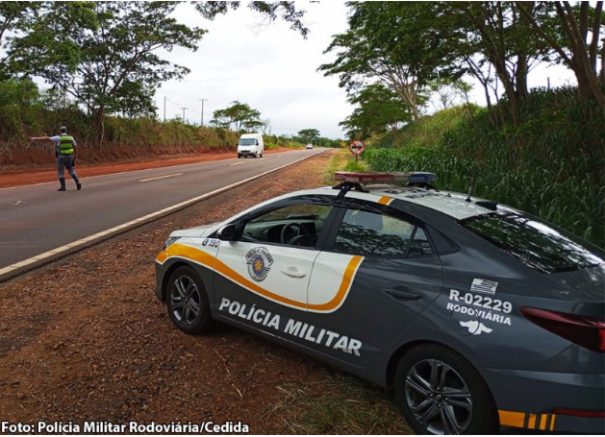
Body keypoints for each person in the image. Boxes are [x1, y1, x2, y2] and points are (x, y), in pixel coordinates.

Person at [31, 126, 82, 191]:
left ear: (60, 131)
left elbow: (47, 138)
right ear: (66, 131)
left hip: (61, 156)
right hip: (69, 156)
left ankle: (63, 187)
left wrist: (36, 138)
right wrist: (75, 156)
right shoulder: (70, 137)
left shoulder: (59, 138)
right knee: (71, 170)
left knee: (61, 171)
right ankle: (78, 182)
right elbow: (75, 147)